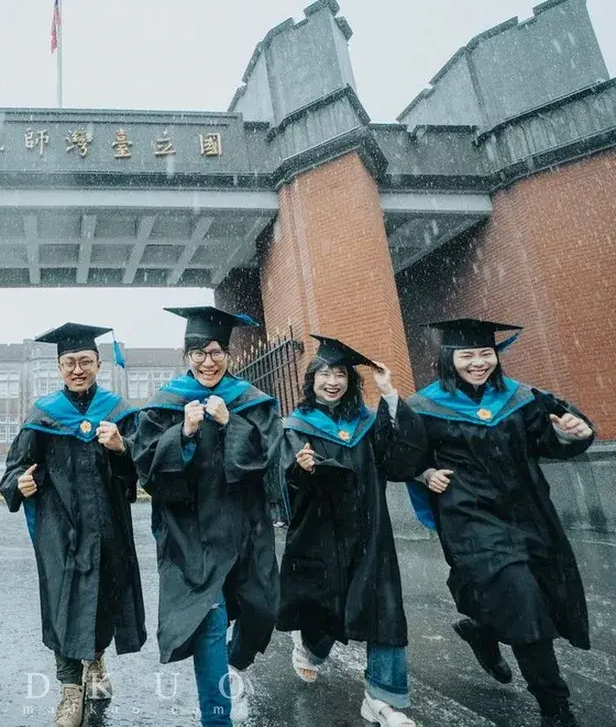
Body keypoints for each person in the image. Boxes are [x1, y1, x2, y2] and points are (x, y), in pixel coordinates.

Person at [388, 319, 594, 727]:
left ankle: (482, 631)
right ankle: (555, 707)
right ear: (449, 359)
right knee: (522, 599)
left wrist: (572, 433)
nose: (478, 362)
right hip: (471, 520)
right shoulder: (425, 407)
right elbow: (400, 459)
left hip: (528, 514)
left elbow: (548, 441)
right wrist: (425, 474)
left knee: (536, 593)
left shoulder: (520, 398)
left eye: (486, 353)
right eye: (467, 355)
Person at [131, 306, 282, 727]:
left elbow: (272, 458)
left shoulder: (250, 401)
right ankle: (217, 717)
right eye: (198, 353)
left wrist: (232, 424)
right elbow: (146, 468)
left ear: (228, 355)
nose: (208, 361)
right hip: (191, 532)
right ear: (187, 356)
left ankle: (234, 661)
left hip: (245, 525)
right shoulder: (166, 403)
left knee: (261, 609)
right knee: (209, 619)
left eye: (216, 352)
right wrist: (182, 434)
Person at [0, 323, 146, 727]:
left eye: (85, 361)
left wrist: (122, 447)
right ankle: (69, 689)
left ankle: (95, 659)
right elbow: (14, 468)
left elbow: (143, 467)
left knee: (102, 596)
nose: (77, 369)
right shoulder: (44, 415)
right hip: (58, 526)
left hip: (108, 524)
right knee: (62, 600)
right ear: (59, 368)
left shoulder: (118, 412)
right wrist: (19, 484)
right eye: (69, 363)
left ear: (98, 364)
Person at [277, 336, 414, 727]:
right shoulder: (297, 424)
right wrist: (301, 469)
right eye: (325, 374)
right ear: (311, 381)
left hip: (370, 530)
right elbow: (286, 480)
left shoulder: (367, 422)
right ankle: (310, 646)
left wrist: (388, 394)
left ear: (351, 381)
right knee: (325, 607)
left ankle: (382, 698)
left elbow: (396, 458)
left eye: (340, 374)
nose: (333, 382)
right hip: (321, 531)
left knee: (383, 607)